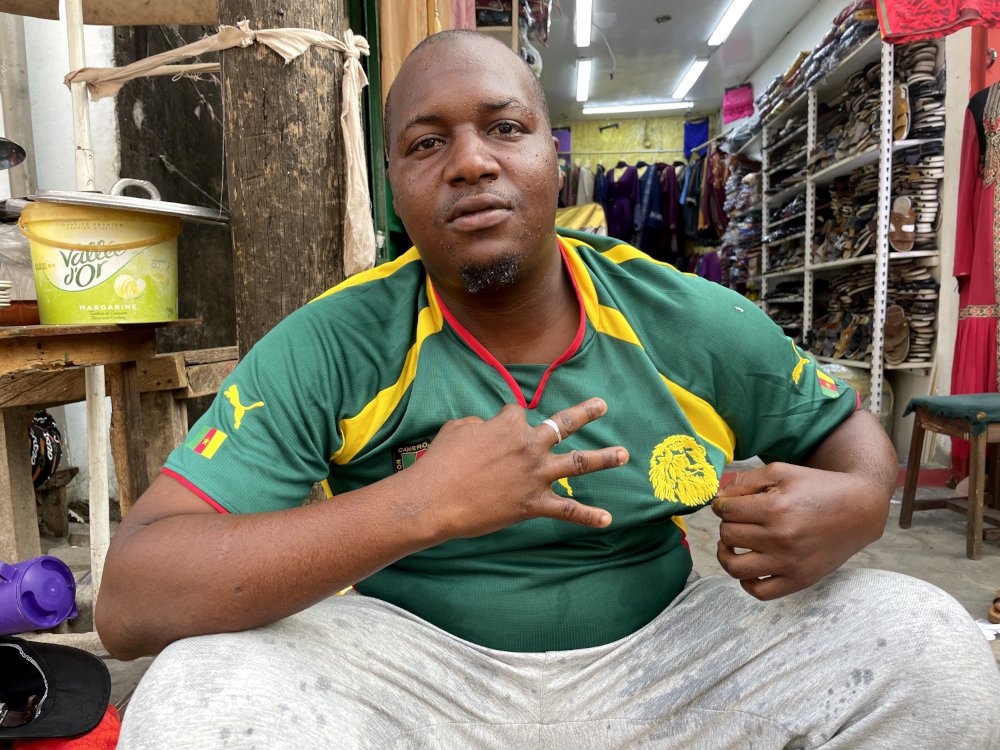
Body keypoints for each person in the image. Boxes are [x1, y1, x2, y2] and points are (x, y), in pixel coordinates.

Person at [104, 30, 1000, 749]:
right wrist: (417, 506)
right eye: (427, 142)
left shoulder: (686, 317)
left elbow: (849, 436)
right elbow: (132, 598)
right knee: (195, 699)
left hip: (676, 666)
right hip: (411, 683)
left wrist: (860, 500)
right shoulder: (332, 342)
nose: (469, 163)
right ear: (396, 185)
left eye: (503, 127)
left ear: (552, 155)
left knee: (927, 645)